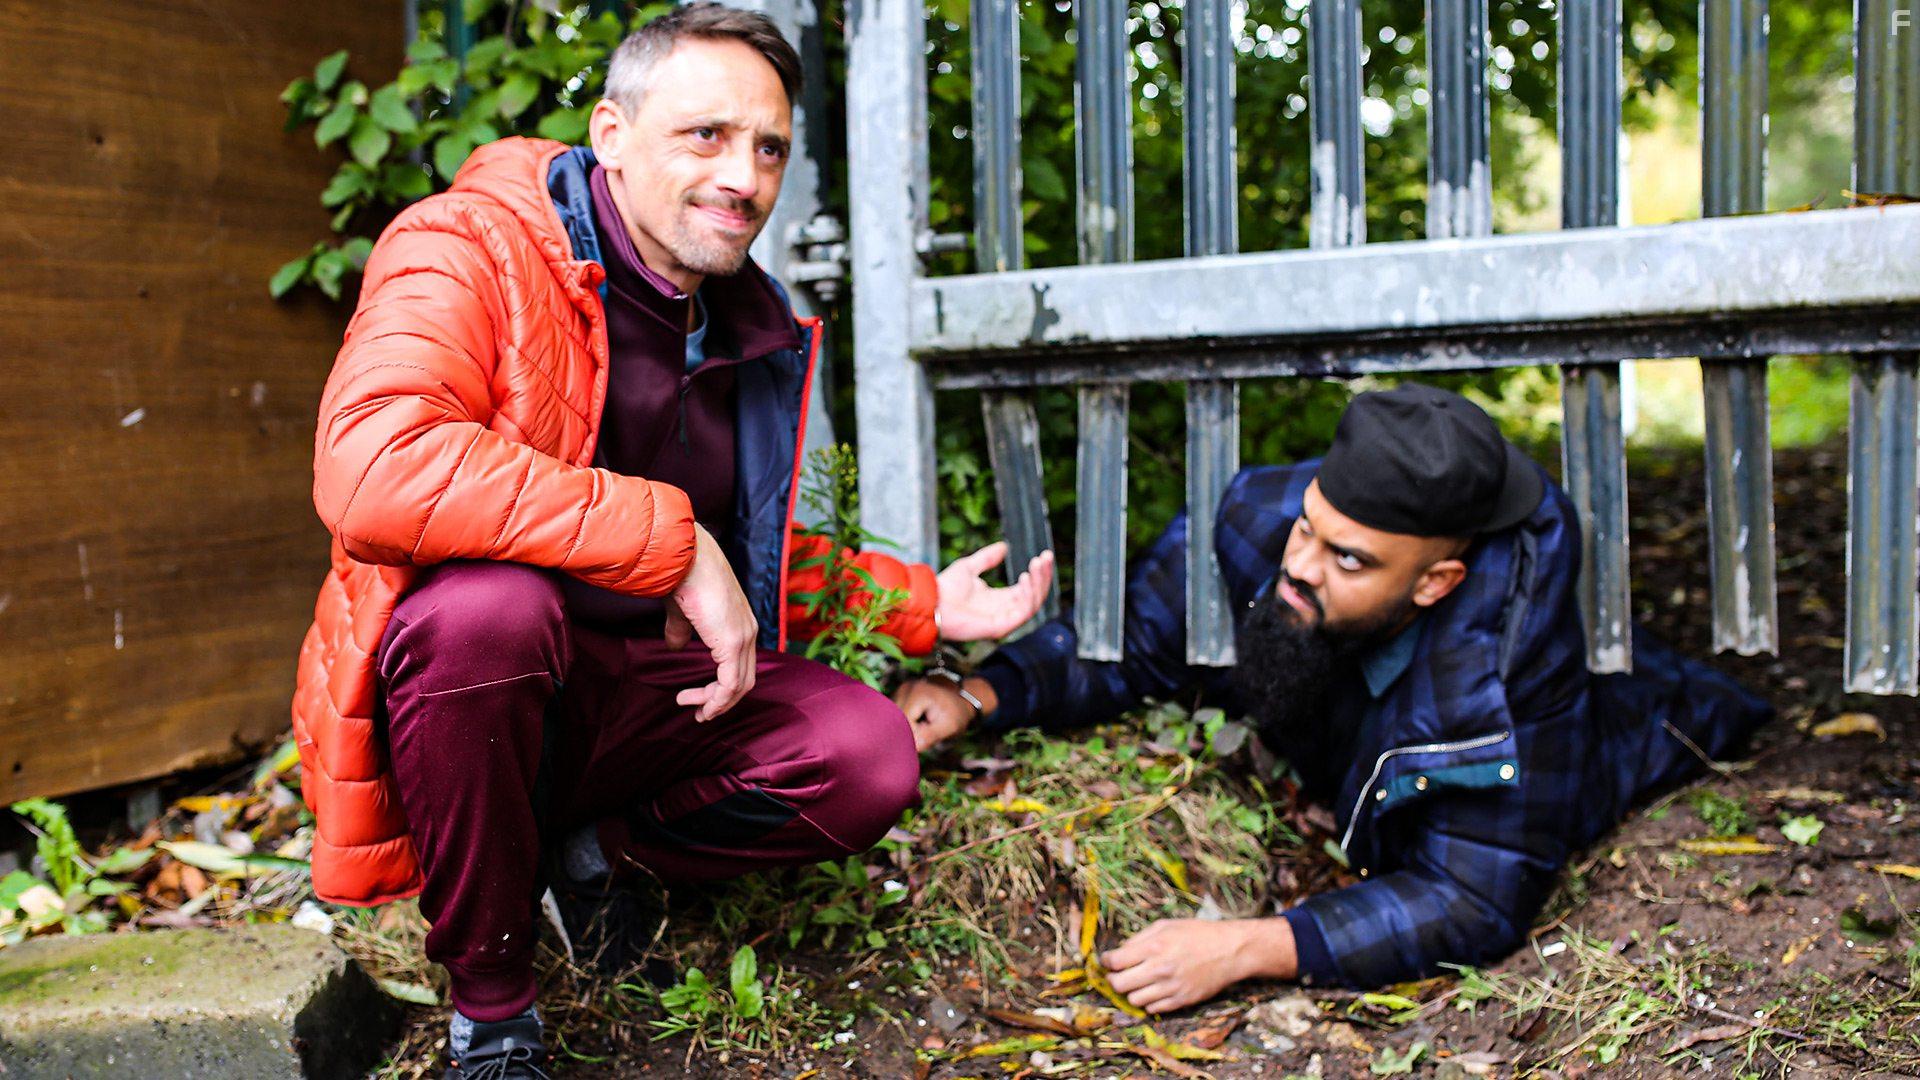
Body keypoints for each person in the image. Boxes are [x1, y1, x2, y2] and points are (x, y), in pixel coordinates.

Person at [289, 6, 1053, 1075]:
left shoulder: (742, 320)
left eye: (770, 148)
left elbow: (745, 558)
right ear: (611, 133)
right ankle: (493, 1010)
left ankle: (590, 856)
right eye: (706, 135)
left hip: (649, 692)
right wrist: (671, 540)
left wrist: (922, 602)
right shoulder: (467, 245)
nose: (743, 176)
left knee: (867, 754)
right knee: (485, 613)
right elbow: (373, 465)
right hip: (488, 696)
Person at [896, 382, 1770, 1013]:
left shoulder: (1506, 666)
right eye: (1309, 528)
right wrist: (979, 693)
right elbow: (1141, 637)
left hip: (1621, 731)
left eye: (1347, 559)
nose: (1301, 567)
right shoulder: (1270, 526)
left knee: (1671, 707)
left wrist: (1251, 946)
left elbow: (1475, 894)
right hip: (1371, 707)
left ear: (1435, 582)